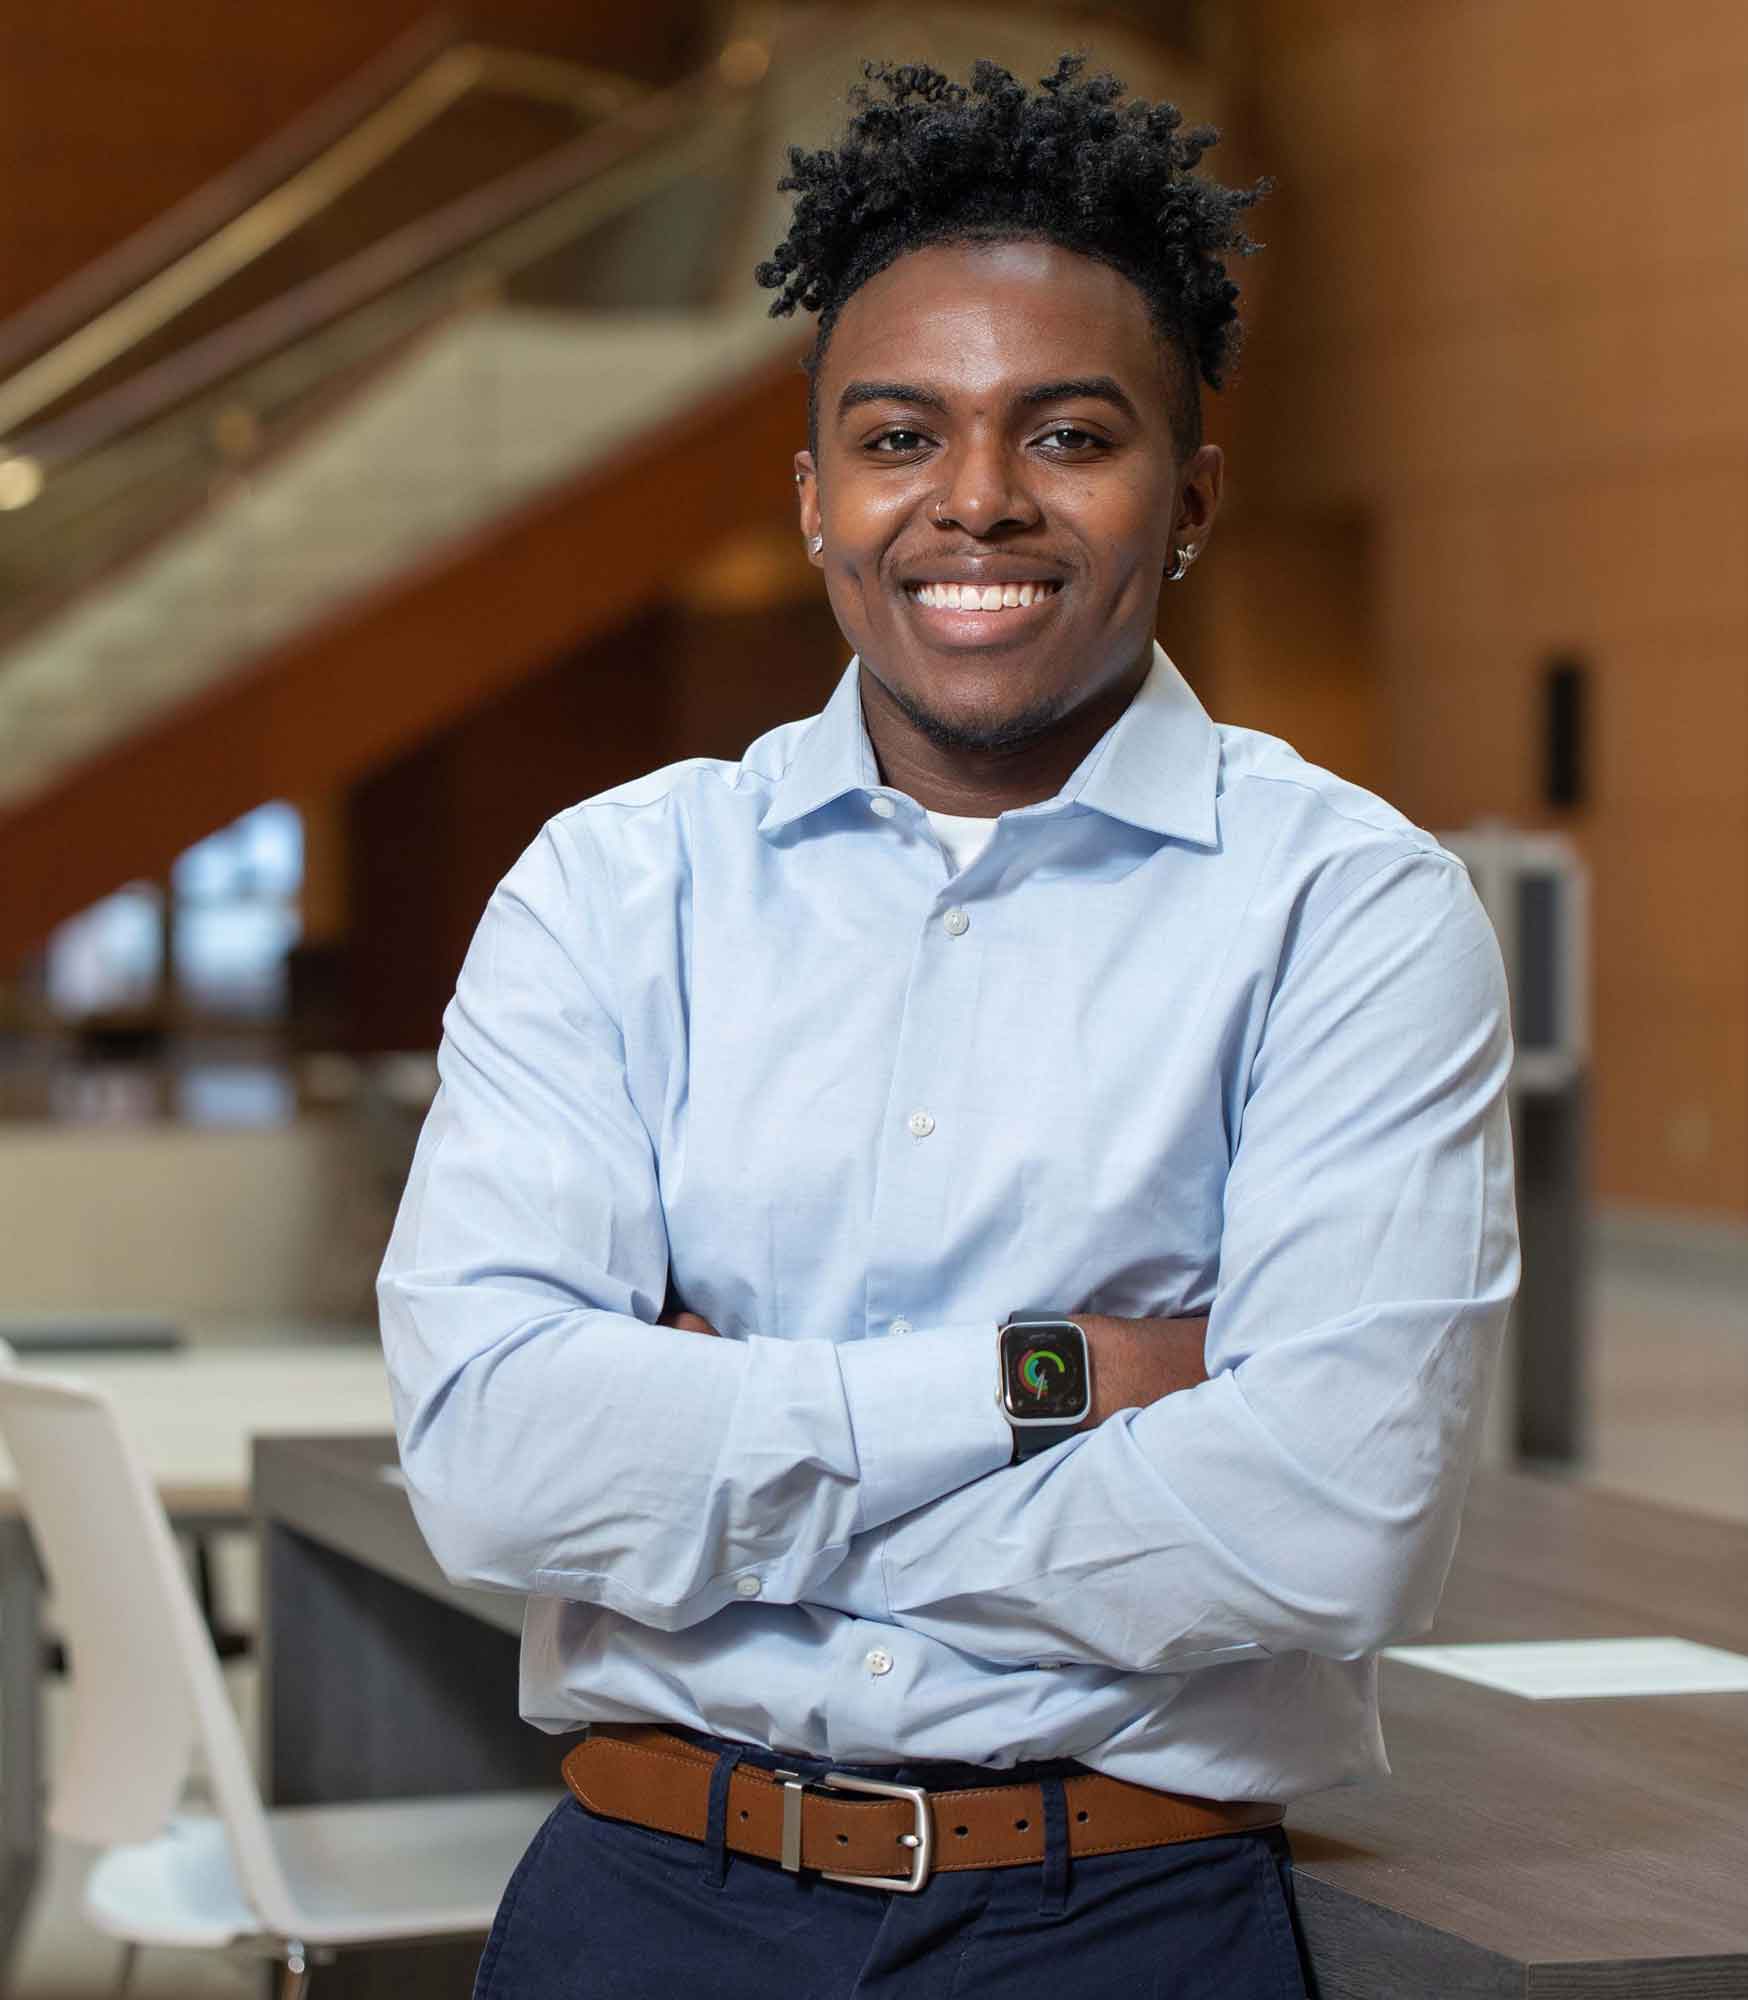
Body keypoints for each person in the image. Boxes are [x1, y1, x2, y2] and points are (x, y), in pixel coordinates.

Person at [378, 51, 1518, 1999]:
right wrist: (1051, 1383)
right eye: (900, 436)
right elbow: (492, 1461)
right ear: (818, 496)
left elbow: (1333, 1522)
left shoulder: (1346, 904)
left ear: (1190, 497)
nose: (973, 499)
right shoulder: (614, 884)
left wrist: (715, 1480)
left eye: (1067, 433)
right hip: (643, 1903)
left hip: (1126, 1925)